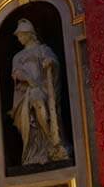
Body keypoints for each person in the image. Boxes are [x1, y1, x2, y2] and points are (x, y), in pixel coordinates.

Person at [9, 19, 68, 166]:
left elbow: (54, 63)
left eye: (21, 35)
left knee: (38, 97)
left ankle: (51, 141)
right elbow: (16, 73)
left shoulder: (43, 49)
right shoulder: (17, 56)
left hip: (44, 88)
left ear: (29, 34)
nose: (19, 38)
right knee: (34, 98)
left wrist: (51, 62)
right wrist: (28, 79)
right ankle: (44, 145)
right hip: (25, 93)